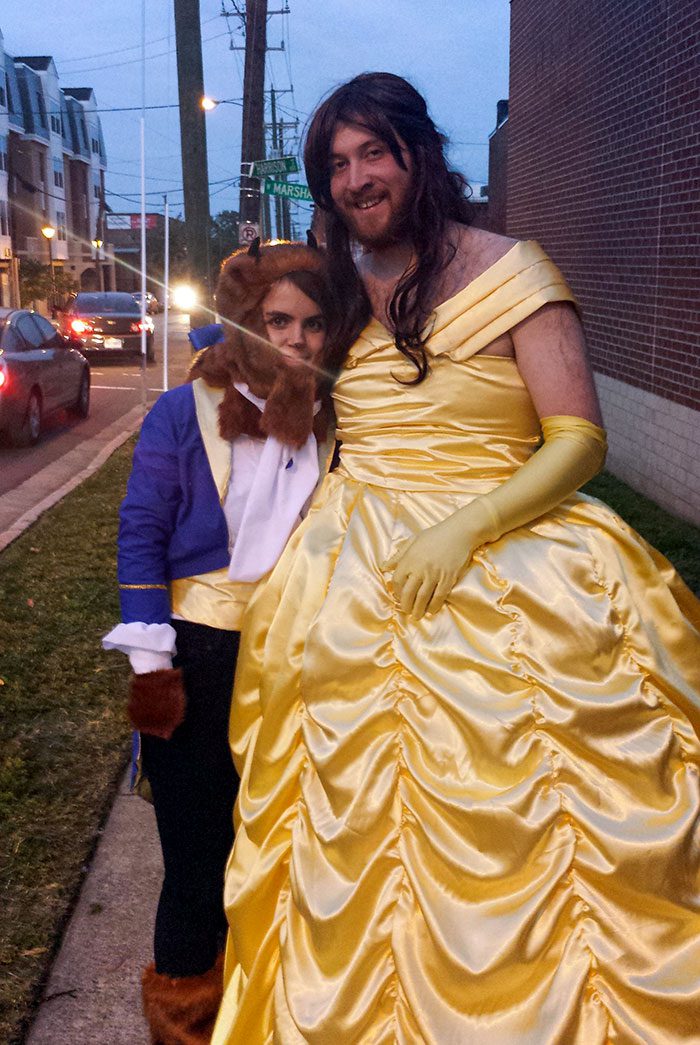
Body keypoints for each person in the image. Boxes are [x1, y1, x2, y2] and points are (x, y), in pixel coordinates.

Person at [213, 74, 700, 1044]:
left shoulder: (513, 269)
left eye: (373, 153)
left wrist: (467, 526)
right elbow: (274, 368)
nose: (356, 178)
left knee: (531, 811)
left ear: (419, 153)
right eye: (336, 164)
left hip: (510, 548)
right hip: (347, 575)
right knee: (341, 824)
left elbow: (578, 439)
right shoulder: (335, 286)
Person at [102, 238, 335, 1045]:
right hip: (201, 656)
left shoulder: (335, 421)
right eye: (279, 320)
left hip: (301, 663)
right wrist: (152, 666)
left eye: (313, 323)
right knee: (198, 860)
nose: (296, 339)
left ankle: (269, 1014)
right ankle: (186, 1021)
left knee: (285, 855)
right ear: (245, 320)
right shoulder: (182, 410)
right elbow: (141, 532)